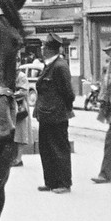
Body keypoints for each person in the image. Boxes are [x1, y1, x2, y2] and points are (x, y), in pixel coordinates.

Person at [34, 33, 76, 193]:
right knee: (46, 149)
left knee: (59, 149)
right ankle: (50, 182)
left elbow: (69, 94)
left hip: (56, 116)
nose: (42, 48)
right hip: (45, 115)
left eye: (44, 46)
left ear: (50, 49)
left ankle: (64, 183)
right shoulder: (49, 65)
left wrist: (62, 109)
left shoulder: (60, 66)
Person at [92, 41, 111, 184]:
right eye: (107, 51)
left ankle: (105, 174)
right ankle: (105, 174)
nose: (108, 53)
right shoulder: (109, 66)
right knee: (110, 142)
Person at [12, 61, 33, 167]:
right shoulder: (9, 74)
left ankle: (19, 158)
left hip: (20, 107)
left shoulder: (21, 76)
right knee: (14, 133)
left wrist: (11, 95)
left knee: (20, 133)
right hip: (11, 107)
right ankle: (14, 157)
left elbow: (24, 91)